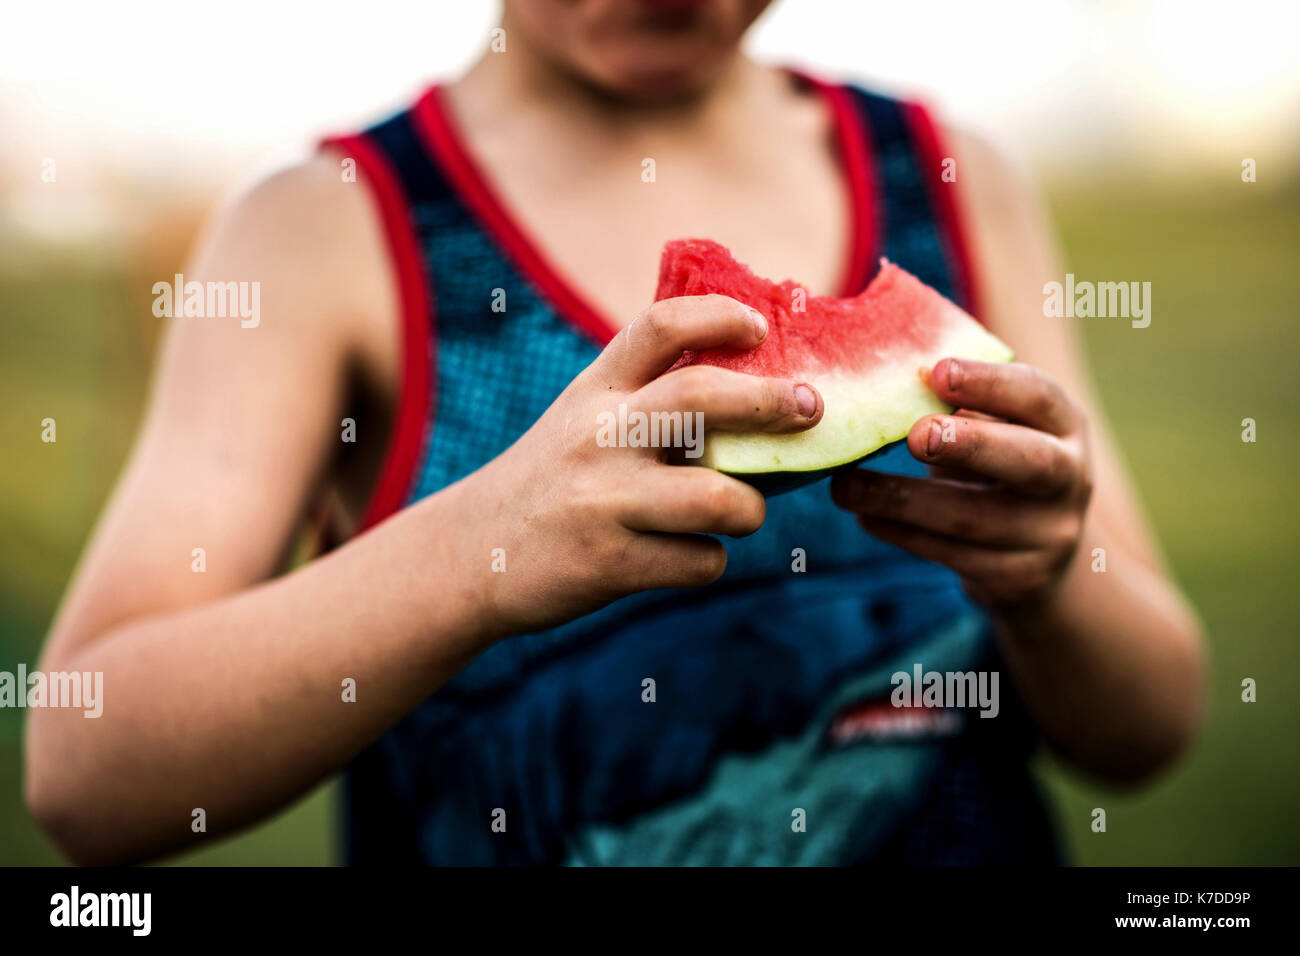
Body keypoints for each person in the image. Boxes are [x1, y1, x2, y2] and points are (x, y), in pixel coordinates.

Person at [25, 0, 1204, 865]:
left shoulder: (953, 180)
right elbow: (86, 772)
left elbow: (1148, 732)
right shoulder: (324, 231)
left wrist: (1055, 580)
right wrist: (481, 545)